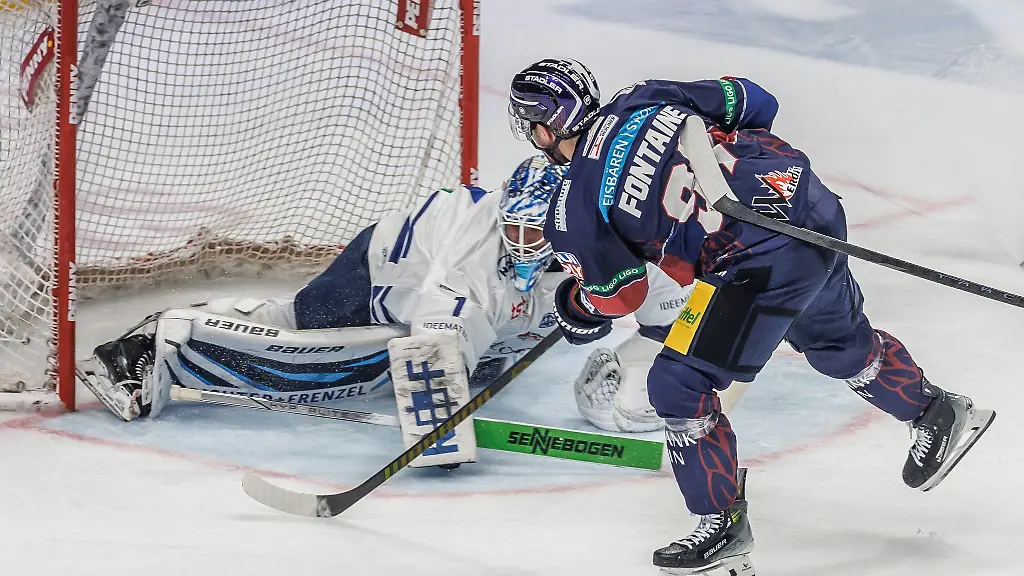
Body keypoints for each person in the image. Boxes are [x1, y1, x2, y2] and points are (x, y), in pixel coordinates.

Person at [507, 58, 996, 575]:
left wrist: (575, 305)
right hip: (809, 206)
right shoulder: (645, 96)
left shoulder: (573, 207)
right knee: (834, 341)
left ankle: (722, 529)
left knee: (677, 383)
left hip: (756, 264)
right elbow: (755, 99)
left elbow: (620, 297)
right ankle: (936, 412)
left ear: (543, 128)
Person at [76, 155, 689, 434]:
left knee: (445, 348)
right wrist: (438, 426)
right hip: (385, 271)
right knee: (312, 340)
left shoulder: (601, 241)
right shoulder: (475, 261)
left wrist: (663, 365)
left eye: (537, 232)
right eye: (515, 230)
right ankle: (154, 344)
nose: (524, 244)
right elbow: (437, 346)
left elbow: (670, 301)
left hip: (446, 284)